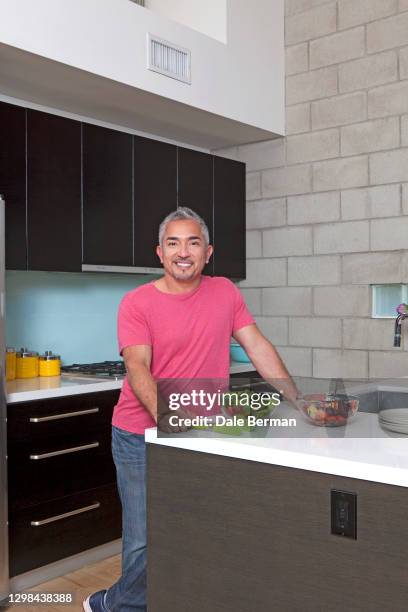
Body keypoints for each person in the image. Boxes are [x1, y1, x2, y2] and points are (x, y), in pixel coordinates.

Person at [83, 207, 300, 612]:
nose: (183, 252)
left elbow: (258, 347)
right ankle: (117, 606)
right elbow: (137, 366)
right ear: (160, 253)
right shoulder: (137, 303)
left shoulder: (225, 292)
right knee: (146, 537)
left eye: (193, 242)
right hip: (140, 434)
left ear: (208, 252)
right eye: (173, 243)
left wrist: (299, 399)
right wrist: (168, 417)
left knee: (199, 528)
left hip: (202, 431)